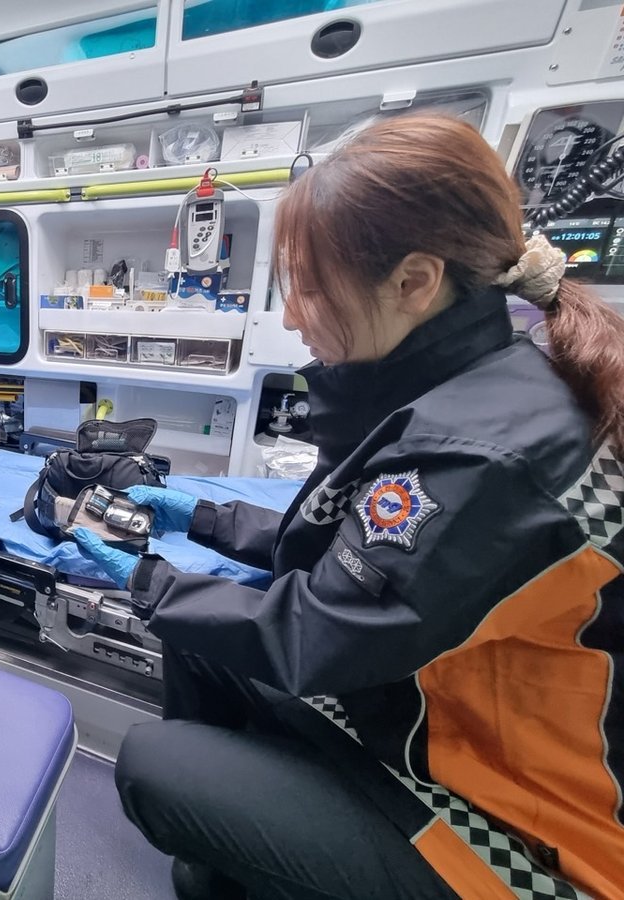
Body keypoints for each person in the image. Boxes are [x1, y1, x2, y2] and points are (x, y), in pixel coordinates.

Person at [74, 114, 624, 899]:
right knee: (201, 641)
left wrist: (146, 583)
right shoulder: (465, 390)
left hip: (511, 821)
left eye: (308, 287)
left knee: (153, 765)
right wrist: (201, 518)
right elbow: (359, 556)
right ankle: (243, 858)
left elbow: (321, 631)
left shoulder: (481, 454)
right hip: (419, 715)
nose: (292, 315)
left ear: (413, 283)